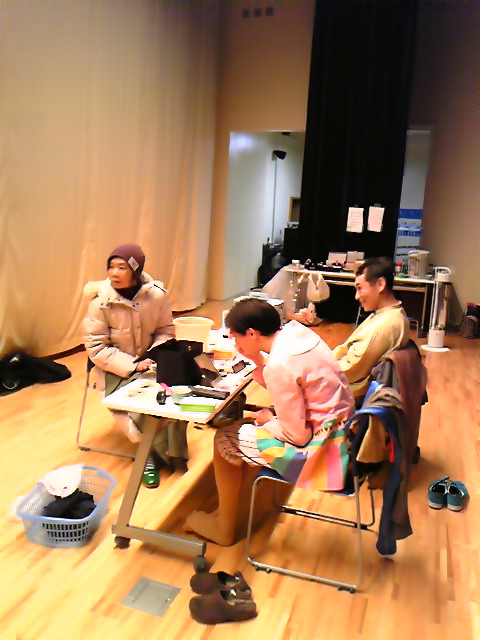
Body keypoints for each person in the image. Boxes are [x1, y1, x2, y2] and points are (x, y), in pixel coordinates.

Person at [184, 298, 354, 546]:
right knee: (247, 426)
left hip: (324, 455)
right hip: (344, 432)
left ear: (252, 333)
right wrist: (259, 363)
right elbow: (293, 389)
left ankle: (224, 528)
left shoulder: (280, 363)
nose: (235, 343)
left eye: (236, 337)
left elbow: (297, 436)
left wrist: (269, 420)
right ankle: (228, 511)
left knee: (225, 439)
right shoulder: (300, 335)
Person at [83, 243, 187, 488]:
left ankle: (176, 453)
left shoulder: (156, 296)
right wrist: (133, 365)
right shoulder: (100, 302)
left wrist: (153, 354)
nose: (114, 273)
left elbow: (165, 330)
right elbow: (96, 347)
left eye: (122, 267)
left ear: (136, 270)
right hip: (115, 368)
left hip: (151, 361)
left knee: (176, 394)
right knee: (142, 404)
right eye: (111, 267)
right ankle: (149, 454)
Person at [332, 257, 410, 404]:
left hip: (348, 393)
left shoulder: (386, 325)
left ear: (380, 285)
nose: (357, 296)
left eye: (360, 288)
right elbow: (345, 351)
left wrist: (317, 368)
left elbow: (350, 370)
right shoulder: (388, 314)